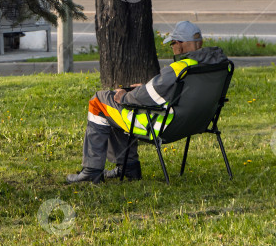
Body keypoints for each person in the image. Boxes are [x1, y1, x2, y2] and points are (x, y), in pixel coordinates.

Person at [66, 21, 228, 184]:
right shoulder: (218, 65)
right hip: (197, 123)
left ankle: (91, 171)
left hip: (164, 127)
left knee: (99, 101)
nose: (172, 47)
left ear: (180, 44)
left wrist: (124, 96)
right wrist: (144, 88)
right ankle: (128, 168)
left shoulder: (179, 68)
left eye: (172, 43)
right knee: (112, 110)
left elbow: (148, 96)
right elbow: (175, 92)